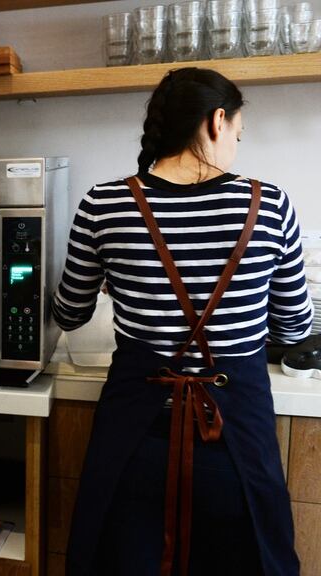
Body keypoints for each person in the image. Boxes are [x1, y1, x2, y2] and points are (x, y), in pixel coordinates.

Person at [53, 67, 311, 576]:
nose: (236, 143)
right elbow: (293, 328)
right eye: (238, 133)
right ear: (217, 121)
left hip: (134, 441)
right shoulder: (269, 204)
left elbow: (69, 313)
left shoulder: (103, 204)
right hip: (236, 442)